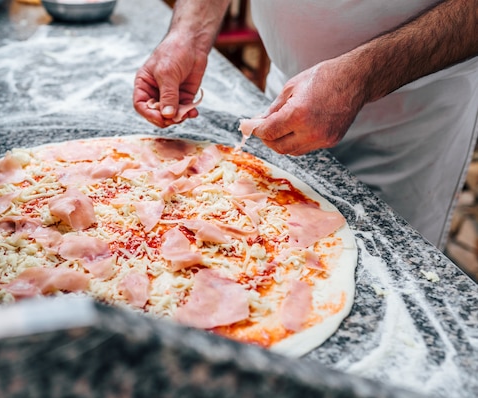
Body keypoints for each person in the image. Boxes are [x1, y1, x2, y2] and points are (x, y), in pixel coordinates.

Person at [133, 0, 478, 250]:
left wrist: (361, 77)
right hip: (288, 88)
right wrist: (189, 34)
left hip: (410, 117)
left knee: (383, 274)